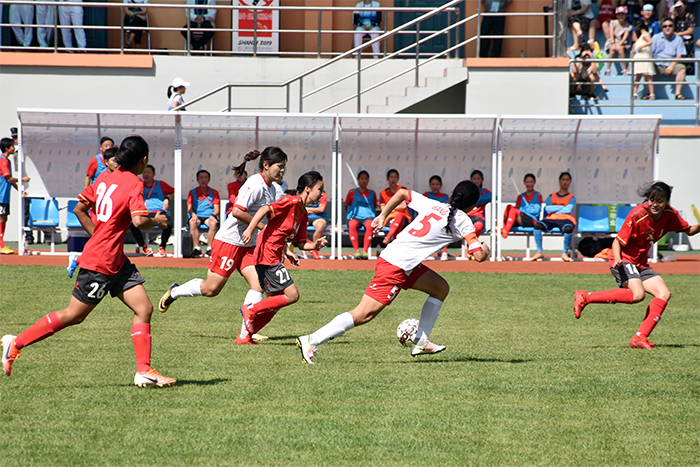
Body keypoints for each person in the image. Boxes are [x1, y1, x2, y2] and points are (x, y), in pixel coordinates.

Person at [1, 136, 176, 387]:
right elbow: (138, 221)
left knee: (144, 308)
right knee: (74, 315)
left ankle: (144, 371)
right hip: (102, 261)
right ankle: (15, 343)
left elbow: (79, 209)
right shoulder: (133, 183)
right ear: (143, 160)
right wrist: (158, 221)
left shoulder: (105, 176)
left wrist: (99, 237)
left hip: (114, 259)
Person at [295, 180, 490, 364]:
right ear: (472, 205)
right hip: (396, 265)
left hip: (402, 262)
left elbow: (403, 193)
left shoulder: (434, 205)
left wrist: (382, 215)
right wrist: (485, 247)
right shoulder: (463, 219)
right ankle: (311, 340)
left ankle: (421, 341)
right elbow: (479, 256)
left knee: (440, 288)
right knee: (363, 314)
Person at [158, 148, 288, 346]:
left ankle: (245, 335)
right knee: (211, 289)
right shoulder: (255, 183)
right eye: (280, 167)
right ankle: (175, 292)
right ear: (266, 165)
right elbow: (237, 211)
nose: (282, 171)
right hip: (229, 242)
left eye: (284, 167)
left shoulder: (271, 188)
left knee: (258, 285)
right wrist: (261, 227)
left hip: (249, 244)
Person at [573, 182, 700, 349]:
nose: (655, 204)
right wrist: (618, 259)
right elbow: (617, 242)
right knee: (637, 295)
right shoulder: (637, 214)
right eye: (652, 199)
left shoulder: (670, 214)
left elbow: (689, 230)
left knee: (664, 293)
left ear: (667, 202)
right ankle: (586, 296)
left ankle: (639, 338)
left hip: (640, 263)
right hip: (624, 259)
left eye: (660, 201)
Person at [239, 171, 328, 339]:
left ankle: (244, 337)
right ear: (307, 189)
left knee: (276, 302)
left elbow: (301, 243)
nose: (321, 193)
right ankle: (250, 309)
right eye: (319, 188)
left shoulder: (304, 214)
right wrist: (250, 229)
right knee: (292, 295)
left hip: (274, 254)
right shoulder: (291, 201)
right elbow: (266, 208)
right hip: (267, 254)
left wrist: (315, 245)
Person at [68, 147, 119, 278]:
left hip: (109, 215)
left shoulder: (116, 177)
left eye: (119, 159)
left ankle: (77, 260)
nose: (117, 162)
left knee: (104, 245)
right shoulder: (101, 178)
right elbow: (81, 205)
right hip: (100, 214)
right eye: (114, 160)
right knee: (103, 244)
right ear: (106, 162)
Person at [129, 164, 174, 257]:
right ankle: (144, 247)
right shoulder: (139, 185)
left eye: (148, 172)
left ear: (153, 174)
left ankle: (162, 247)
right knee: (133, 225)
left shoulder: (160, 184)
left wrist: (167, 199)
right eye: (144, 172)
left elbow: (175, 192)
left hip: (159, 211)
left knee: (168, 224)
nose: (146, 174)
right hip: (144, 212)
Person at [532, 172, 576, 262]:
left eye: (567, 180)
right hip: (551, 218)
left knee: (568, 229)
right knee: (537, 226)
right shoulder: (552, 196)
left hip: (565, 219)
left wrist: (554, 208)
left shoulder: (571, 197)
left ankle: (564, 252)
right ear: (560, 181)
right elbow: (547, 208)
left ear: (570, 182)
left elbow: (568, 210)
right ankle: (539, 251)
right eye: (563, 180)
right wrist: (562, 207)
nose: (565, 182)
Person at [0, 138, 30, 255]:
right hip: (1, 195)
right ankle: (1, 245)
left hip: (5, 195)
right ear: (7, 148)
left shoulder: (7, 160)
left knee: (4, 218)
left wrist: (20, 190)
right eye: (12, 146)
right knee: (1, 218)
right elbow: (8, 178)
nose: (14, 148)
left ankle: (2, 243)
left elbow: (11, 181)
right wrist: (22, 180)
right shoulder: (3, 161)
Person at [652, 17, 687, 100]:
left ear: (673, 27)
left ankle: (678, 94)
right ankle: (650, 93)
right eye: (665, 26)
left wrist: (671, 65)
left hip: (671, 64)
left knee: (682, 68)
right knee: (646, 67)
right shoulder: (655, 37)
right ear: (662, 27)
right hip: (657, 65)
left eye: (670, 26)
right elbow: (650, 52)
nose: (667, 28)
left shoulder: (678, 39)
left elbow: (679, 55)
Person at [187, 169, 219, 257]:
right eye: (201, 178)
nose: (203, 180)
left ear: (209, 180)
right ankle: (197, 248)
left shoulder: (214, 192)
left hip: (209, 216)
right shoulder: (192, 192)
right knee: (192, 222)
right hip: (197, 216)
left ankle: (209, 248)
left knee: (214, 223)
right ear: (197, 179)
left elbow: (217, 209)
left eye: (205, 178)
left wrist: (213, 216)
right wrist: (193, 215)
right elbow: (189, 208)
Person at [345, 170, 377, 260]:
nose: (364, 181)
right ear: (358, 180)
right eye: (362, 178)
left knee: (370, 225)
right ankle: (356, 251)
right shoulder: (352, 192)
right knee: (352, 224)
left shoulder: (372, 193)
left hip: (368, 217)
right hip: (356, 217)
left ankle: (365, 251)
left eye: (366, 179)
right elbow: (346, 205)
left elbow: (374, 205)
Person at [501, 173, 543, 239]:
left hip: (532, 219)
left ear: (534, 183)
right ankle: (505, 228)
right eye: (527, 182)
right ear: (524, 183)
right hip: (521, 218)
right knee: (509, 207)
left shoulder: (538, 195)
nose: (529, 184)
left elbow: (536, 211)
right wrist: (523, 210)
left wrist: (523, 209)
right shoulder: (520, 196)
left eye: (531, 182)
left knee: (513, 210)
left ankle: (505, 230)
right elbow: (516, 210)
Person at [378, 169, 411, 249]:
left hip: (404, 217)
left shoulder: (403, 190)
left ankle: (388, 237)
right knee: (397, 223)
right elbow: (383, 209)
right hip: (390, 218)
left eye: (395, 177)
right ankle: (397, 247)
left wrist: (390, 207)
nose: (393, 179)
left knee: (399, 216)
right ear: (388, 179)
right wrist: (396, 207)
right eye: (391, 177)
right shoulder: (383, 192)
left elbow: (404, 206)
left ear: (398, 179)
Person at [424, 175, 450, 260]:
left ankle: (444, 252)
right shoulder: (426, 195)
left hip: (440, 221)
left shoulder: (445, 197)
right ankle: (425, 253)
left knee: (445, 228)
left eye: (437, 184)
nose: (435, 186)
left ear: (441, 185)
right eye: (433, 184)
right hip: (428, 220)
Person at [605, 6, 633, 76]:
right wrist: (613, 43)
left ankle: (624, 70)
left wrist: (619, 44)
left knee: (621, 49)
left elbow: (624, 38)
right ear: (616, 15)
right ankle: (608, 69)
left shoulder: (628, 26)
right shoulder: (613, 22)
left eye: (623, 14)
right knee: (612, 49)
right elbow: (611, 34)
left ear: (626, 15)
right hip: (613, 41)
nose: (621, 16)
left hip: (622, 42)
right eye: (619, 14)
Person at [670, 0, 695, 75]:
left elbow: (690, 30)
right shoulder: (675, 18)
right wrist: (672, 15)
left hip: (687, 44)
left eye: (680, 6)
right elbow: (670, 28)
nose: (678, 9)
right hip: (677, 44)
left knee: (689, 64)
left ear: (685, 6)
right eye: (677, 7)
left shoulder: (689, 16)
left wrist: (678, 33)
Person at [632, 20, 655, 100]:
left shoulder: (644, 34)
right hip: (639, 57)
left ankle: (652, 94)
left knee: (648, 76)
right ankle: (634, 94)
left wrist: (641, 46)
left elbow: (650, 42)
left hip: (644, 57)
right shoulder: (639, 36)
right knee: (638, 76)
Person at [466, 169, 491, 238]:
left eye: (478, 179)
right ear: (471, 179)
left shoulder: (485, 192)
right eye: (474, 179)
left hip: (478, 217)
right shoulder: (467, 191)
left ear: (482, 180)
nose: (476, 181)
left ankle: (470, 246)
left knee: (478, 226)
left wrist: (477, 200)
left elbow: (494, 196)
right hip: (467, 217)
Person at [306, 188, 328, 259]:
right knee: (298, 225)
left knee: (320, 226)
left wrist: (307, 209)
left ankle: (314, 249)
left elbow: (321, 209)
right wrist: (315, 210)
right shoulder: (305, 193)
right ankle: (309, 243)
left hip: (319, 217)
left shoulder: (323, 193)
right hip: (306, 216)